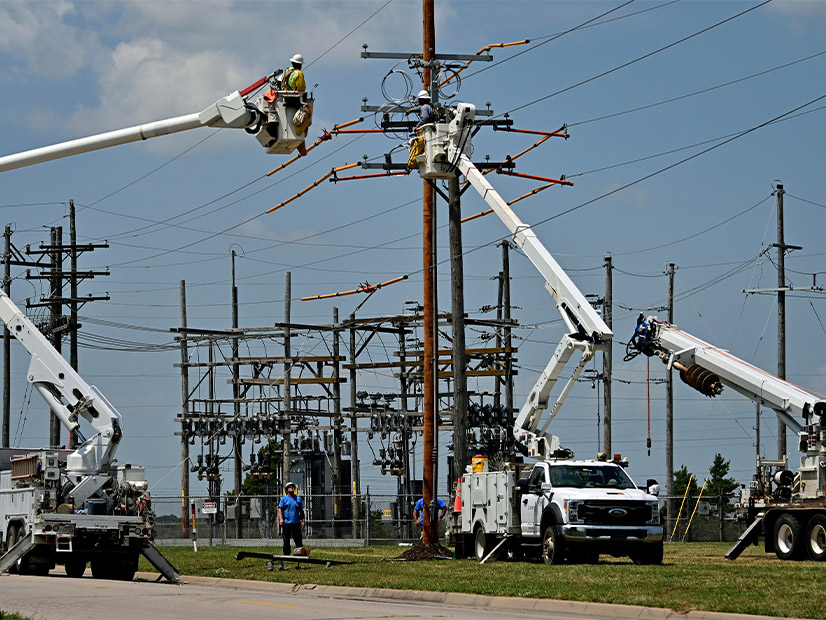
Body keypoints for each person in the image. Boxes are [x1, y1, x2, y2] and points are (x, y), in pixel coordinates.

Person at [278, 481, 305, 556]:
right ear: (287, 489)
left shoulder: (298, 499)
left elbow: (301, 511)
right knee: (286, 540)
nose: (291, 488)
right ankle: (286, 554)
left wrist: (303, 521)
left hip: (296, 523)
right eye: (289, 486)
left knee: (298, 540)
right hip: (287, 523)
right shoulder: (284, 499)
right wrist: (281, 519)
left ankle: (299, 554)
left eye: (292, 486)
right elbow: (280, 509)